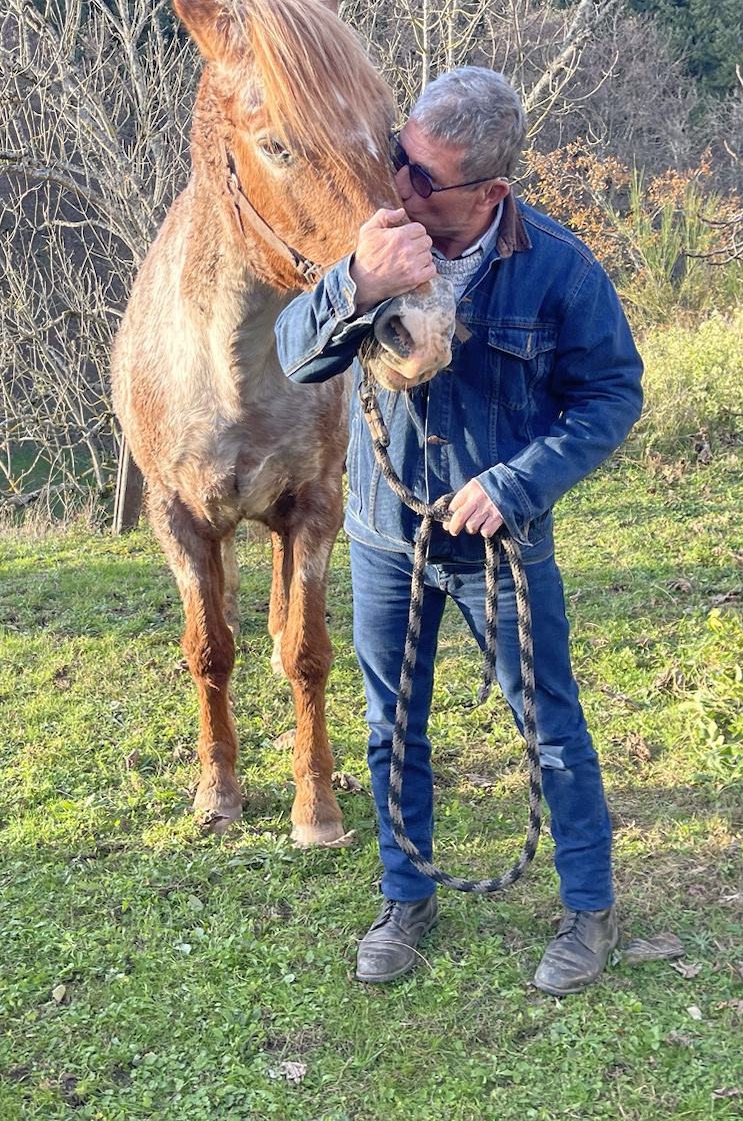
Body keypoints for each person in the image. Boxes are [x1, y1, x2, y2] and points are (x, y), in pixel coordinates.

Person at [274, 66, 645, 996]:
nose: (396, 185)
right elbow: (295, 357)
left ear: (490, 192)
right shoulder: (378, 243)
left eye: (422, 178)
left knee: (545, 721)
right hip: (382, 536)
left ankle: (589, 909)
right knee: (390, 728)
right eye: (400, 158)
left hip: (497, 545)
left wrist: (514, 484)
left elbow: (609, 396)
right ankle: (407, 896)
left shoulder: (558, 269)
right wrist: (357, 282)